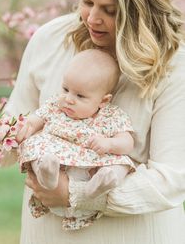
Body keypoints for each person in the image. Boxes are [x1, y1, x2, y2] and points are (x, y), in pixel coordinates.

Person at [3, 0, 185, 244]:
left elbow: (172, 178)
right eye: (87, 1)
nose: (92, 18)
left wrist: (79, 195)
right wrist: (9, 138)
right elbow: (16, 120)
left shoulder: (174, 63)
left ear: (142, 9)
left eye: (110, 10)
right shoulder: (49, 40)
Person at [17, 49, 135, 230]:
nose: (69, 99)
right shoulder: (56, 104)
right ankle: (46, 173)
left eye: (80, 96)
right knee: (35, 144)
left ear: (103, 101)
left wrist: (109, 143)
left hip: (92, 158)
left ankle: (101, 183)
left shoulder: (111, 114)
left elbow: (127, 143)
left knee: (123, 162)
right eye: (65, 89)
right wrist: (27, 127)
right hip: (58, 156)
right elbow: (36, 119)